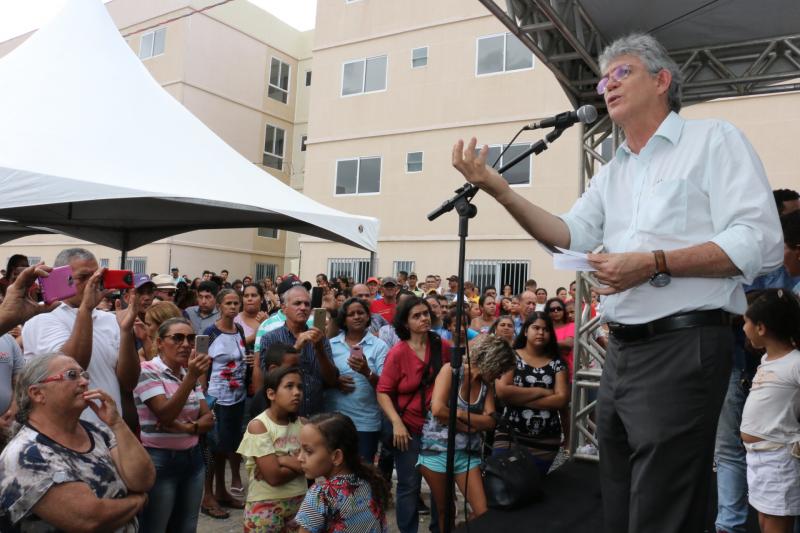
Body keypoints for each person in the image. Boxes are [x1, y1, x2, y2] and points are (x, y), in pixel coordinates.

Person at [452, 32, 783, 533]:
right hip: (621, 351)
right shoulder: (613, 172)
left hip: (684, 343)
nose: (606, 85)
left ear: (662, 80)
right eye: (603, 78)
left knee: (663, 504)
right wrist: (499, 188)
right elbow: (567, 236)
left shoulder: (713, 140)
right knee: (620, 497)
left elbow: (759, 242)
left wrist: (653, 262)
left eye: (621, 72)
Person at [0, 353, 155, 531]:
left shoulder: (97, 431)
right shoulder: (25, 454)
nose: (84, 382)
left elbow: (143, 480)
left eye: (84, 375)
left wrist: (117, 423)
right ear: (37, 393)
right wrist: (138, 500)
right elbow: (90, 519)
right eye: (72, 375)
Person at [22, 248, 141, 426]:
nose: (93, 283)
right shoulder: (42, 316)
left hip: (109, 432)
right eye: (84, 277)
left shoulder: (110, 319)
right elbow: (71, 369)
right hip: (63, 432)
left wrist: (126, 333)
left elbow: (129, 382)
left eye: (97, 276)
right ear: (61, 278)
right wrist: (86, 309)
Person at [420, 336, 515, 532]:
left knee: (482, 511)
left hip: (467, 455)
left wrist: (460, 414)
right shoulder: (451, 371)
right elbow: (437, 410)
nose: (499, 376)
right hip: (435, 452)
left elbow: (490, 422)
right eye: (500, 369)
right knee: (445, 510)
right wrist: (467, 425)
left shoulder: (485, 387)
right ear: (493, 361)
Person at [377, 296, 451, 533]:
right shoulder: (397, 353)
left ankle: (439, 529)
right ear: (405, 322)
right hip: (408, 429)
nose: (424, 318)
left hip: (439, 428)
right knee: (409, 485)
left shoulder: (442, 346)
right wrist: (397, 423)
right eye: (416, 315)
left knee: (441, 485)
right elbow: (383, 392)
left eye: (426, 313)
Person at [134, 318, 214, 532]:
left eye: (190, 338)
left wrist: (186, 428)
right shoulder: (147, 370)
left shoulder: (187, 373)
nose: (186, 344)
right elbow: (166, 414)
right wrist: (191, 377)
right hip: (160, 461)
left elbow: (208, 419)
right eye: (177, 338)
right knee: (156, 526)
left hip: (193, 459)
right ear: (159, 343)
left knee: (187, 527)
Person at [739, 290, 800, 533]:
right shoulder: (767, 360)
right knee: (764, 521)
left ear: (761, 328)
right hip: (758, 458)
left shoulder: (794, 362)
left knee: (776, 525)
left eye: (746, 322)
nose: (743, 328)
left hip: (779, 459)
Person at [494, 312, 570, 474]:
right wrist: (542, 391)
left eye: (546, 329)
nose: (541, 333)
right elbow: (502, 391)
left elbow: (561, 400)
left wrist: (517, 398)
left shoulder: (557, 363)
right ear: (526, 331)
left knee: (533, 491)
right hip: (509, 436)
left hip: (545, 443)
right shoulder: (510, 356)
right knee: (502, 486)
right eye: (536, 328)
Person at [237, 366, 307, 533]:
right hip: (265, 507)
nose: (297, 392)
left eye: (299, 387)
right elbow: (273, 477)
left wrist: (280, 460)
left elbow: (316, 466)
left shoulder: (304, 425)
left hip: (300, 504)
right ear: (271, 394)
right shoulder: (259, 426)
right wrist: (300, 464)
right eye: (289, 386)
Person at [295, 413, 390, 533]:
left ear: (336, 456)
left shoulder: (321, 495)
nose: (299, 458)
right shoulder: (369, 481)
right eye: (300, 450)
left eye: (308, 451)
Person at [254, 285, 337, 417]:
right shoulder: (270, 338)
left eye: (307, 304)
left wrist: (320, 350)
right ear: (284, 308)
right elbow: (270, 378)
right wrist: (296, 348)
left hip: (316, 417)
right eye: (297, 303)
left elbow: (331, 380)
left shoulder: (320, 338)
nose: (303, 307)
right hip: (284, 419)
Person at [326, 297, 389, 462]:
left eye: (360, 313)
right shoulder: (331, 345)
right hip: (334, 421)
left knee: (362, 473)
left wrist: (366, 371)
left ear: (368, 317)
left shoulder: (379, 346)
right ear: (344, 320)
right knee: (335, 472)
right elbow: (321, 378)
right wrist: (336, 381)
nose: (356, 317)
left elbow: (384, 386)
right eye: (351, 314)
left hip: (365, 423)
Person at [204, 288, 249, 509]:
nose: (233, 307)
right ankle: (207, 495)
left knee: (227, 446)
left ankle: (222, 491)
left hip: (237, 398)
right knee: (212, 447)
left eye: (236, 303)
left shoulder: (239, 329)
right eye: (228, 303)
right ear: (219, 306)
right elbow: (201, 366)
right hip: (216, 398)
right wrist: (202, 400)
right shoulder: (209, 332)